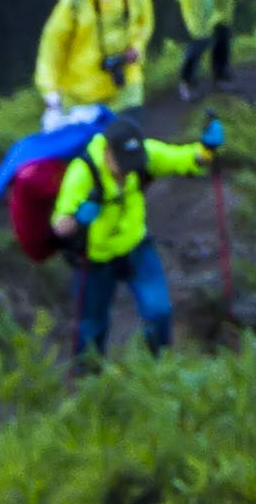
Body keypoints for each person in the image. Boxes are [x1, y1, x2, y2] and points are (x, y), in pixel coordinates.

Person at [49, 108, 228, 366]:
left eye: (132, 164)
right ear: (107, 152)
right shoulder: (82, 172)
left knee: (159, 311)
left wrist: (207, 149)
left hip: (135, 246)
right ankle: (89, 378)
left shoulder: (142, 155)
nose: (127, 171)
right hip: (95, 258)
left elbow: (183, 158)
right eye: (123, 164)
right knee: (92, 326)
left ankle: (158, 367)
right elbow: (59, 224)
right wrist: (78, 218)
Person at [36, 0, 159, 116]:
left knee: (130, 128)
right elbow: (53, 43)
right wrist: (49, 88)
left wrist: (137, 47)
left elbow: (144, 22)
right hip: (83, 92)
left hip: (125, 83)